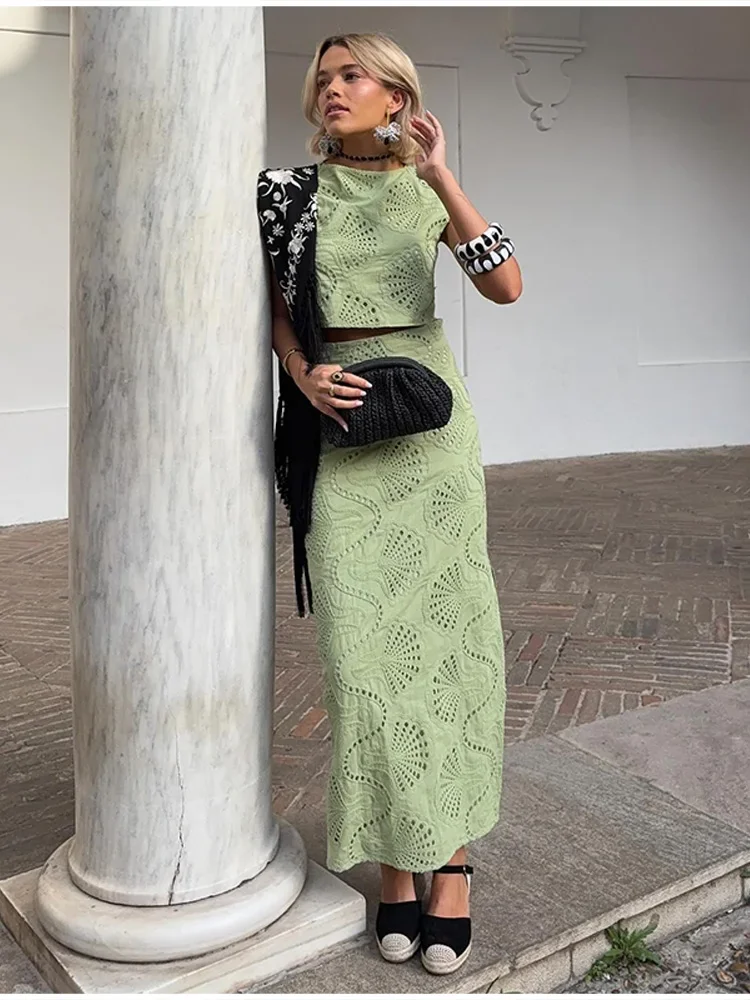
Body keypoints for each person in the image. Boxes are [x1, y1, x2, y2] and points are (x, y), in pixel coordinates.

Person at [257, 32, 522, 976]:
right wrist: (303, 374)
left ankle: (447, 860)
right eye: (324, 77)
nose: (333, 87)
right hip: (340, 426)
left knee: (446, 643)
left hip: (429, 433)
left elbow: (505, 284)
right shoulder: (286, 196)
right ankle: (392, 860)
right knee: (361, 658)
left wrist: (442, 174)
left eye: (353, 75)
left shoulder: (422, 188)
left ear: (396, 96)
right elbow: (276, 311)